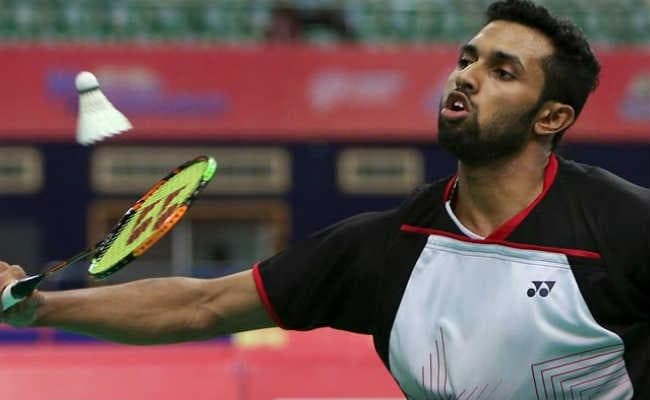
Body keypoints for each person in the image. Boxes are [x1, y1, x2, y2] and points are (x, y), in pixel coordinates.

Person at [1, 0, 648, 398]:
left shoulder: (622, 228)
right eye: (467, 59)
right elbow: (202, 305)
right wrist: (43, 308)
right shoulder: (389, 249)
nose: (468, 77)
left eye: (502, 72)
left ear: (550, 117)